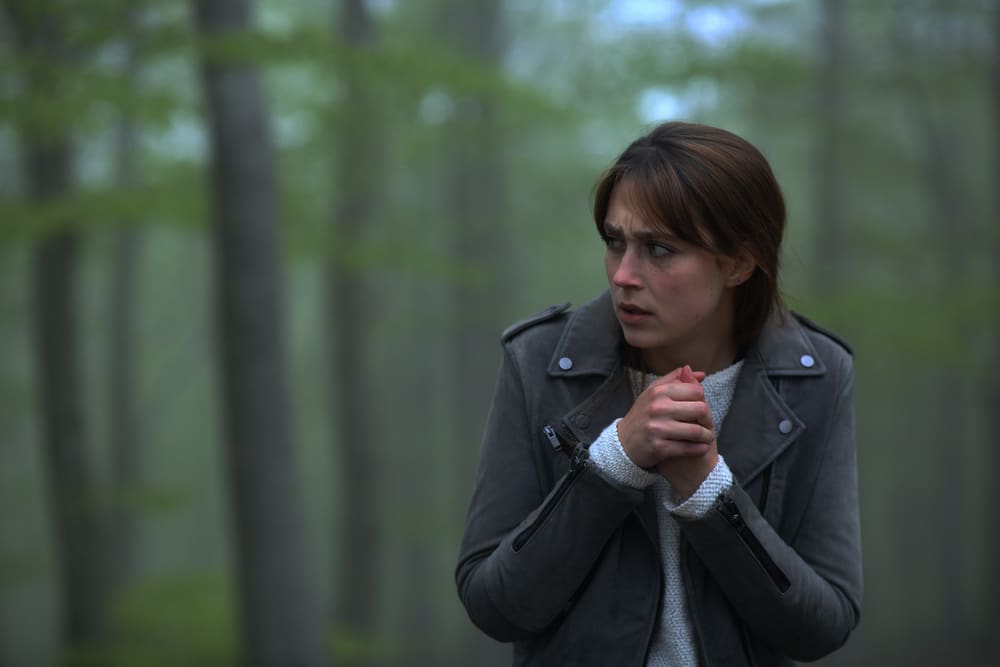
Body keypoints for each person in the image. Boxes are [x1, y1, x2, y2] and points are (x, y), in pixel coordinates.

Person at [455, 121, 862, 666]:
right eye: (614, 242)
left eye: (660, 249)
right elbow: (493, 605)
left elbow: (823, 626)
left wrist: (709, 493)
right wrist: (613, 462)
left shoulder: (815, 376)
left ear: (739, 262)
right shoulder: (540, 363)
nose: (623, 274)